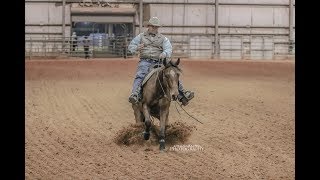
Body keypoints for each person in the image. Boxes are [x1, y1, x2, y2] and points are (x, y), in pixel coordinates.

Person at [127, 17, 194, 106]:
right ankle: (135, 94)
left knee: (172, 74)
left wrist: (165, 53)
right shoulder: (140, 36)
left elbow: (168, 48)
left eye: (156, 27)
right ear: (148, 26)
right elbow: (130, 47)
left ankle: (182, 94)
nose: (155, 29)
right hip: (145, 61)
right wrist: (136, 48)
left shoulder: (163, 38)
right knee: (140, 75)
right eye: (153, 26)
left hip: (159, 62)